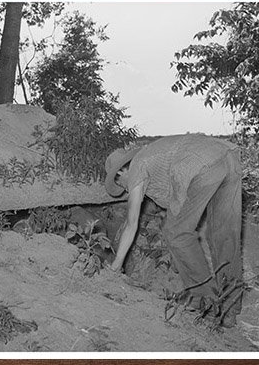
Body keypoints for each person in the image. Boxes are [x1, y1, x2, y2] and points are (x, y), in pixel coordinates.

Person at [104, 134, 244, 325]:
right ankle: (229, 309)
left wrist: (116, 265)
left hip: (201, 164)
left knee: (176, 233)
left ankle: (205, 302)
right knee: (224, 234)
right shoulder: (154, 156)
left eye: (120, 183)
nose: (126, 190)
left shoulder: (137, 165)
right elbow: (176, 199)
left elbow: (132, 222)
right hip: (228, 156)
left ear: (122, 171)